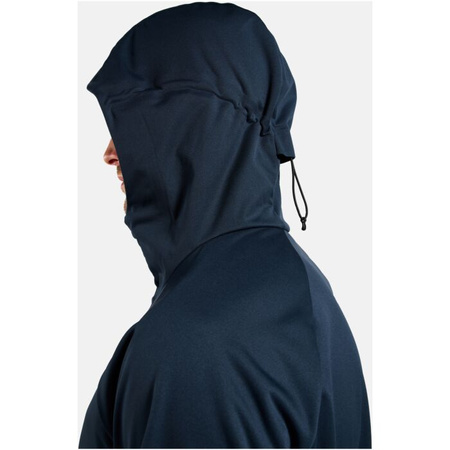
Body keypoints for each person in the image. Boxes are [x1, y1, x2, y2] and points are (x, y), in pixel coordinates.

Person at [79, 2, 371, 448]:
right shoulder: (305, 290)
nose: (109, 153)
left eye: (132, 123)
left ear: (191, 129)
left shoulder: (197, 343)